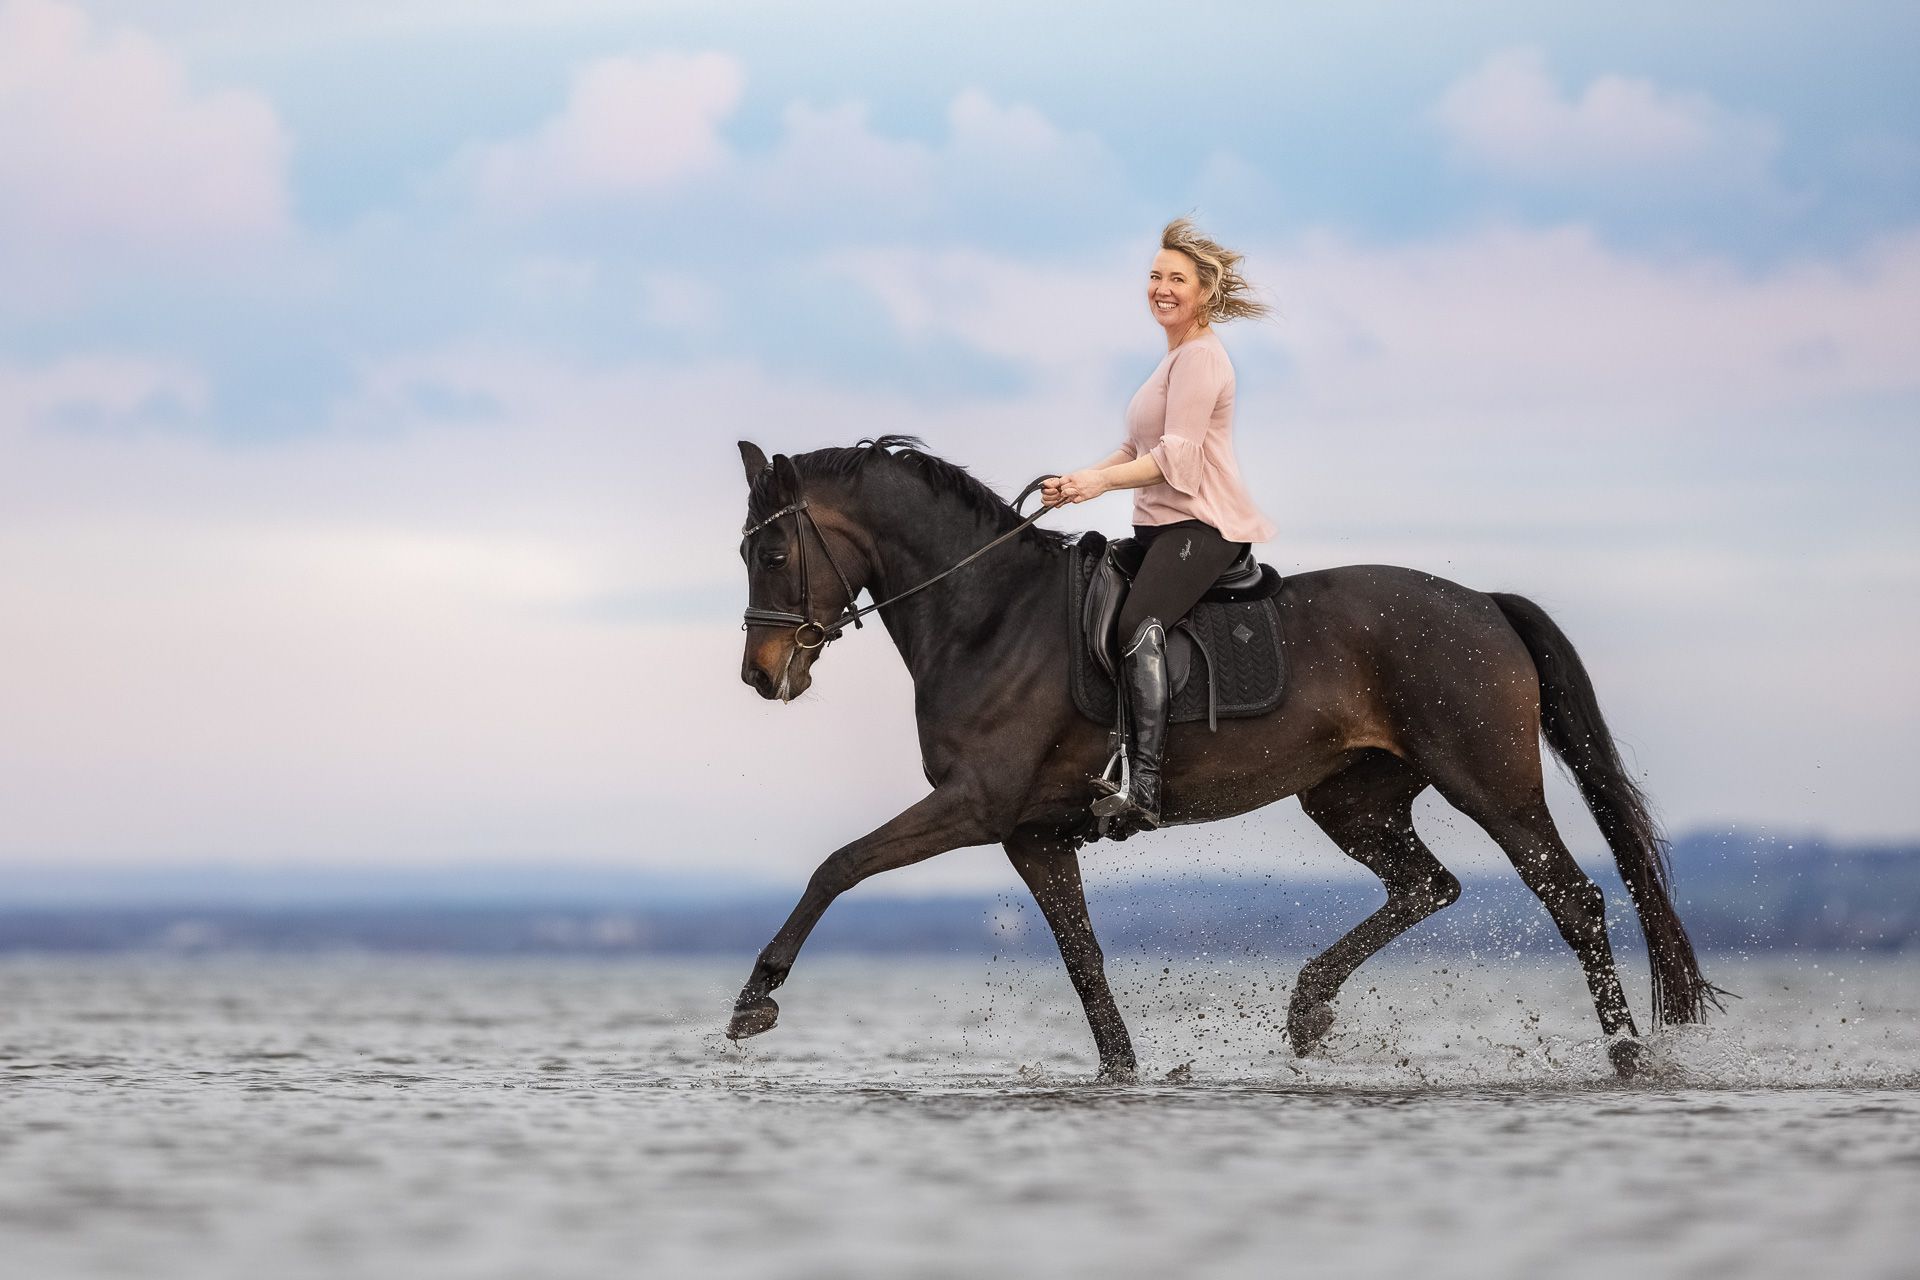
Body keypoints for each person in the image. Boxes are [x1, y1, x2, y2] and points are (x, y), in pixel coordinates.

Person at [1042, 217, 1276, 831]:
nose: (1162, 288)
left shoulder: (1200, 360)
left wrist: (1099, 484)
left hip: (1203, 527)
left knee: (1137, 624)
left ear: (1204, 292)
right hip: (1158, 530)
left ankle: (1144, 785)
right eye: (1154, 276)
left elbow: (1177, 461)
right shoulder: (1170, 361)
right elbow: (1131, 448)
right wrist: (1078, 480)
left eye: (1177, 278)